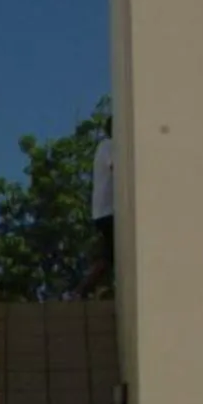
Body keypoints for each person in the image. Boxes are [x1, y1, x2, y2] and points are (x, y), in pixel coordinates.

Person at [90, 118, 115, 290]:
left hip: (104, 211)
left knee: (110, 256)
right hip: (107, 212)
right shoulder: (109, 145)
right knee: (110, 256)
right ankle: (79, 292)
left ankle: (80, 292)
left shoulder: (106, 146)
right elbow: (116, 168)